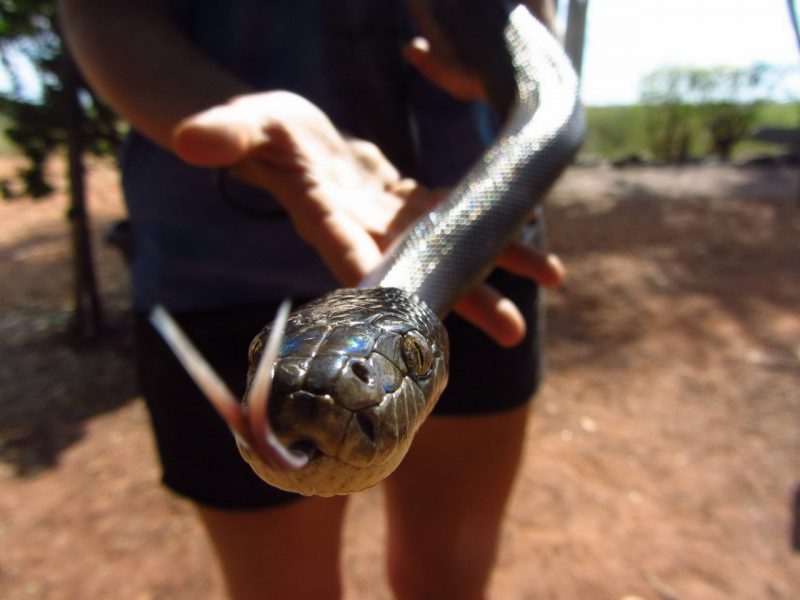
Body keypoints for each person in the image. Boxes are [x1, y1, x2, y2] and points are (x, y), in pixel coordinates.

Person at [59, 1, 562, 598]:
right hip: (218, 265)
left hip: (481, 240)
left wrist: (502, 58)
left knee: (449, 576)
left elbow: (535, 39)